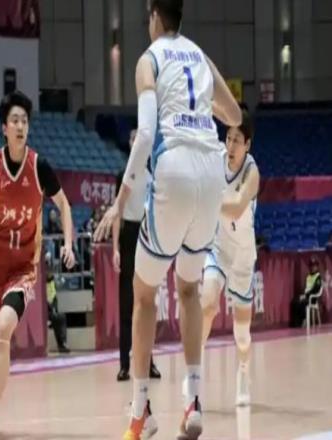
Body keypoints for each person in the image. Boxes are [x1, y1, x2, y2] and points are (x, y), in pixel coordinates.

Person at [94, 0, 241, 438]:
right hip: (212, 172)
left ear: (155, 16)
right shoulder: (200, 56)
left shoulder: (149, 59)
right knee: (189, 289)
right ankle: (193, 401)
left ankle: (141, 410)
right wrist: (202, 113)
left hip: (175, 167)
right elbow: (235, 116)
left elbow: (144, 137)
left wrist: (120, 201)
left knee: (143, 295)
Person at [0, 91, 76, 440]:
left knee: (4, 330)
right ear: (4, 127)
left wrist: (69, 244)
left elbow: (64, 205)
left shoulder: (39, 166)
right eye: (14, 120)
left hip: (23, 270)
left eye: (24, 121)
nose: (20, 126)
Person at [200, 110, 260, 407]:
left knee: (242, 333)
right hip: (218, 246)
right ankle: (193, 371)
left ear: (247, 145)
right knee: (207, 304)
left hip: (243, 257)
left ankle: (243, 374)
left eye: (238, 140)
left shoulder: (252, 173)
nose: (231, 145)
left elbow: (236, 208)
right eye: (229, 138)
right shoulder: (215, 162)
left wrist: (206, 199)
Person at [113, 128, 161, 382]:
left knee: (147, 301)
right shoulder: (123, 177)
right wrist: (115, 248)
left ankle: (148, 362)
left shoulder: (153, 178)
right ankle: (124, 364)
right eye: (133, 140)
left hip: (147, 234)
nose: (137, 145)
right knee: (126, 303)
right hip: (129, 236)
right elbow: (117, 213)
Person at [290, 257, 322, 327]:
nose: (312, 268)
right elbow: (306, 288)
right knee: (294, 301)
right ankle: (295, 323)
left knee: (301, 303)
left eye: (314, 266)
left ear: (317, 267)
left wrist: (306, 295)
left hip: (312, 298)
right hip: (306, 296)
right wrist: (302, 295)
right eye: (311, 266)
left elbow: (316, 289)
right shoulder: (308, 276)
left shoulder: (318, 277)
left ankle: (304, 320)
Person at [46, 272, 70, 353]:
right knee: (55, 317)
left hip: (51, 311)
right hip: (40, 312)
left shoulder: (52, 282)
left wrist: (53, 308)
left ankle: (62, 344)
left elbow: (53, 298)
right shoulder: (37, 282)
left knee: (60, 318)